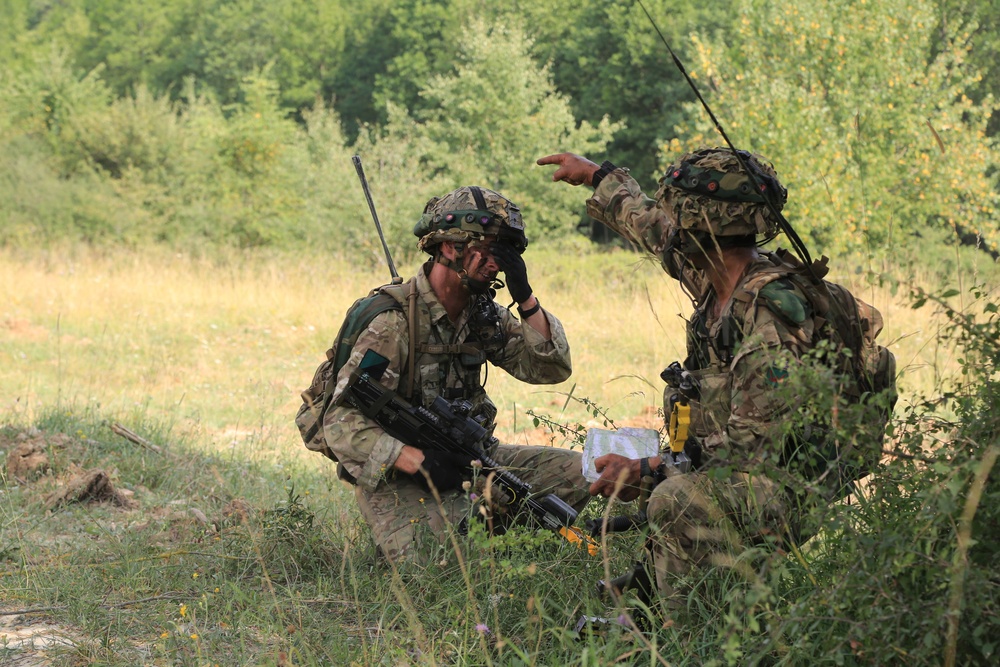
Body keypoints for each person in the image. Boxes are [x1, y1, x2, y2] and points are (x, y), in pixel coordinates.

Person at [537, 148, 896, 605]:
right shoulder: (717, 274)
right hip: (742, 472)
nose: (671, 231)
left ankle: (698, 624)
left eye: (679, 220)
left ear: (701, 229)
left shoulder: (769, 314)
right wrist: (597, 176)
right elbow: (651, 228)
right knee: (655, 492)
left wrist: (647, 469)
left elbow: (751, 446)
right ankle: (666, 595)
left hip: (786, 487)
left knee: (675, 497)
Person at [320, 185, 590, 562]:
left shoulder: (483, 315)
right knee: (449, 561)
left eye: (507, 254)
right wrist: (416, 460)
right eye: (489, 250)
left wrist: (526, 298)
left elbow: (551, 367)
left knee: (589, 475)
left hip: (473, 459)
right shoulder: (392, 323)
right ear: (449, 247)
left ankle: (497, 518)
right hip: (401, 475)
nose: (497, 263)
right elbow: (340, 419)